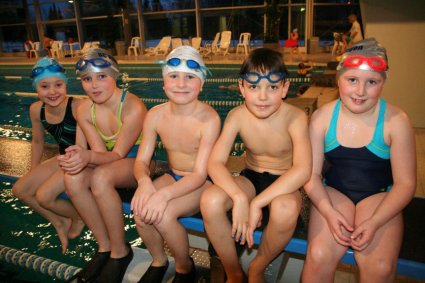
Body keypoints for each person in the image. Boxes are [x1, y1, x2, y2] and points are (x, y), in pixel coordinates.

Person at [301, 38, 416, 283]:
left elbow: (405, 184)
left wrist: (375, 221)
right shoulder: (322, 118)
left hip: (379, 198)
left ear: (383, 82)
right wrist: (328, 212)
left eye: (371, 82)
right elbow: (310, 176)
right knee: (319, 255)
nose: (360, 91)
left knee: (381, 266)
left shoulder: (397, 121)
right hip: (333, 195)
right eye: (352, 80)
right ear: (338, 79)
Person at [200, 47, 312, 283]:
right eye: (254, 87)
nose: (263, 96)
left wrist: (258, 202)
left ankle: (257, 267)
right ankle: (233, 271)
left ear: (284, 88)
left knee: (285, 209)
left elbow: (302, 170)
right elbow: (215, 163)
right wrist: (240, 198)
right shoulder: (237, 116)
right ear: (242, 88)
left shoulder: (295, 118)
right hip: (251, 177)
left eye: (272, 87)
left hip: (284, 183)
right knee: (210, 200)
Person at [131, 46, 220, 283]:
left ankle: (184, 267)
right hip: (173, 175)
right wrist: (144, 182)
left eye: (190, 77)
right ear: (163, 83)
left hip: (203, 181)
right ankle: (159, 260)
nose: (181, 83)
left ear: (201, 84)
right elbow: (141, 160)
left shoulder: (209, 119)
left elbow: (200, 174)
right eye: (174, 76)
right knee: (140, 212)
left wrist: (164, 196)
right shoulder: (155, 115)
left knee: (163, 214)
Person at [60, 48, 148, 283]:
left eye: (102, 77)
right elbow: (99, 153)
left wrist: (87, 157)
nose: (94, 85)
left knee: (100, 178)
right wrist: (79, 156)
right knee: (72, 178)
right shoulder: (84, 109)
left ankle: (120, 252)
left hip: (136, 163)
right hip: (108, 162)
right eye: (87, 79)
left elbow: (119, 154)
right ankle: (104, 246)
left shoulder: (132, 106)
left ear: (115, 76)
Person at [12, 58, 85, 255]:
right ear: (36, 88)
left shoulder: (78, 107)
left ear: (65, 84)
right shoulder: (36, 109)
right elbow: (37, 142)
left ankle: (78, 216)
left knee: (44, 196)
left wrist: (74, 163)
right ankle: (59, 221)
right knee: (20, 189)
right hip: (62, 157)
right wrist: (34, 169)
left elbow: (84, 146)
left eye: (58, 85)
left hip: (82, 160)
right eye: (45, 86)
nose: (52, 92)